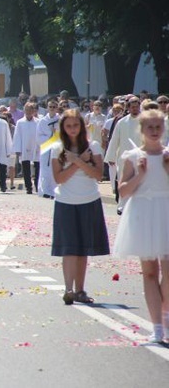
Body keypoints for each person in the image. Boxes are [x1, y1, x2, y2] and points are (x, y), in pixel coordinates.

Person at [113, 109, 169, 343]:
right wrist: (140, 173)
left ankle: (165, 317)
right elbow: (123, 190)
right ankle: (156, 327)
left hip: (165, 210)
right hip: (143, 212)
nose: (155, 131)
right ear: (142, 130)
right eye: (150, 127)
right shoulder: (133, 156)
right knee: (149, 272)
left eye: (158, 127)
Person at [51, 109, 109, 305]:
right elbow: (59, 178)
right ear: (63, 128)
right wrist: (77, 162)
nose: (72, 129)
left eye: (76, 125)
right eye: (68, 126)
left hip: (89, 200)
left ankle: (80, 289)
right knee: (69, 248)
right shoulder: (57, 148)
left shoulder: (93, 147)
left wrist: (78, 161)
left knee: (82, 249)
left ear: (82, 126)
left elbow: (98, 175)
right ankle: (68, 289)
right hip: (65, 201)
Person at [105, 96, 143, 214]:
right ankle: (122, 205)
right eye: (133, 107)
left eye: (137, 107)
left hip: (141, 157)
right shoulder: (121, 122)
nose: (135, 109)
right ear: (128, 108)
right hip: (124, 157)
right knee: (123, 181)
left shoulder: (145, 121)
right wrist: (111, 156)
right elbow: (115, 139)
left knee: (140, 181)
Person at [13, 102, 40, 194]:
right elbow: (17, 136)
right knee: (26, 169)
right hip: (25, 147)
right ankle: (28, 187)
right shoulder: (20, 122)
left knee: (37, 168)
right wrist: (18, 149)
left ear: (33, 111)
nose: (29, 112)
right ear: (24, 111)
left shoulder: (38, 122)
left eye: (30, 110)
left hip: (36, 148)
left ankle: (37, 186)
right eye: (27, 110)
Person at [37, 99, 61, 198]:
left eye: (54, 107)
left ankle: (54, 191)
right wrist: (50, 137)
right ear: (47, 108)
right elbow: (38, 136)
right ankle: (45, 190)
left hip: (56, 147)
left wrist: (56, 135)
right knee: (45, 170)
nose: (51, 109)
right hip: (46, 146)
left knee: (54, 169)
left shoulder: (60, 120)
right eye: (50, 107)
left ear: (57, 109)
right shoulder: (42, 121)